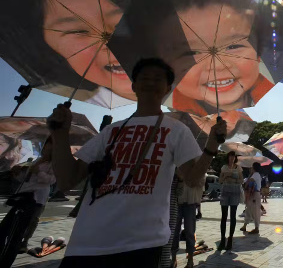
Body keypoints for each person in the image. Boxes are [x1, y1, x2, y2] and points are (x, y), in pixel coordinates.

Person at [48, 58, 226, 268]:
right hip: (87, 242)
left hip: (143, 243)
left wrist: (212, 146)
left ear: (168, 88)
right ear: (133, 85)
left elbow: (193, 179)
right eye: (144, 78)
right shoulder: (110, 131)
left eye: (158, 78)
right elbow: (67, 180)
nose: (150, 82)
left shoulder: (177, 130)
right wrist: (59, 135)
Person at [0, 0, 139, 108]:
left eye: (119, 22)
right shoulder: (81, 104)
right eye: (78, 31)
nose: (108, 40)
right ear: (43, 48)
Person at [138, 0, 274, 116]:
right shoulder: (172, 122)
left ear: (258, 54)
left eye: (232, 46)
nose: (217, 65)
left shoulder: (273, 102)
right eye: (192, 53)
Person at [0, 139, 55, 266]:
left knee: (15, 233)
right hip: (22, 197)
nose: (47, 149)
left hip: (34, 200)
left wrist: (39, 172)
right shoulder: (37, 160)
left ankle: (6, 260)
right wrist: (17, 173)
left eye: (51, 147)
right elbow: (26, 180)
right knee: (4, 229)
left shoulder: (55, 164)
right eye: (46, 146)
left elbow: (52, 180)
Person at [171, 171, 205, 268]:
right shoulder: (178, 165)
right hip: (177, 200)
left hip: (191, 201)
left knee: (190, 231)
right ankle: (173, 258)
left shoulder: (199, 166)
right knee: (174, 231)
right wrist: (180, 179)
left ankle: (190, 259)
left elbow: (201, 183)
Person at [218, 151, 243, 251]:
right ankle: (222, 239)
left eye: (233, 156)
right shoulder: (224, 167)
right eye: (230, 156)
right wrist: (225, 175)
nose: (232, 158)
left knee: (233, 215)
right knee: (224, 215)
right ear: (228, 157)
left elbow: (242, 180)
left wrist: (233, 177)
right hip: (225, 190)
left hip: (235, 191)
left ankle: (230, 239)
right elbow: (220, 181)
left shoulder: (238, 168)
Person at [240, 162, 262, 235]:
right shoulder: (253, 175)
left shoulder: (256, 174)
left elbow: (250, 181)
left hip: (255, 194)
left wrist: (247, 180)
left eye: (252, 167)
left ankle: (256, 228)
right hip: (252, 194)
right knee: (248, 210)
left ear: (254, 167)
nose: (250, 168)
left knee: (255, 211)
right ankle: (245, 225)